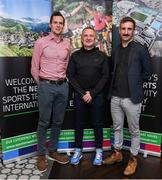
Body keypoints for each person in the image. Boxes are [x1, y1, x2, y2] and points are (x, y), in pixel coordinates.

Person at [103, 17, 152, 176]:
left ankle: (133, 158)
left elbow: (148, 72)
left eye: (129, 29)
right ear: (119, 30)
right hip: (115, 97)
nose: (125, 32)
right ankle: (117, 153)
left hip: (132, 98)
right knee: (117, 127)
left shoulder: (140, 49)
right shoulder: (116, 49)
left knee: (134, 130)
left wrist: (135, 83)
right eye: (123, 29)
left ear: (133, 30)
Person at [31, 11, 71, 172]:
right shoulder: (40, 42)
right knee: (44, 121)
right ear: (50, 24)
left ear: (63, 25)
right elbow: (34, 67)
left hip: (62, 86)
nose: (58, 25)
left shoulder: (67, 44)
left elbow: (68, 65)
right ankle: (41, 154)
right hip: (46, 86)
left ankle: (52, 151)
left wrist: (65, 81)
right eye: (55, 22)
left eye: (61, 23)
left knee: (58, 121)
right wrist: (42, 84)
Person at [67, 26, 109, 166]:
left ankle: (99, 151)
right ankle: (78, 150)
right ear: (82, 37)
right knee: (78, 124)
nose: (88, 38)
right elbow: (70, 75)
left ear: (95, 38)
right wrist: (82, 93)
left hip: (96, 96)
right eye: (86, 35)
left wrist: (92, 93)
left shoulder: (102, 55)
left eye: (91, 35)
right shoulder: (75, 55)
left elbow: (105, 76)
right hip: (80, 96)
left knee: (98, 124)